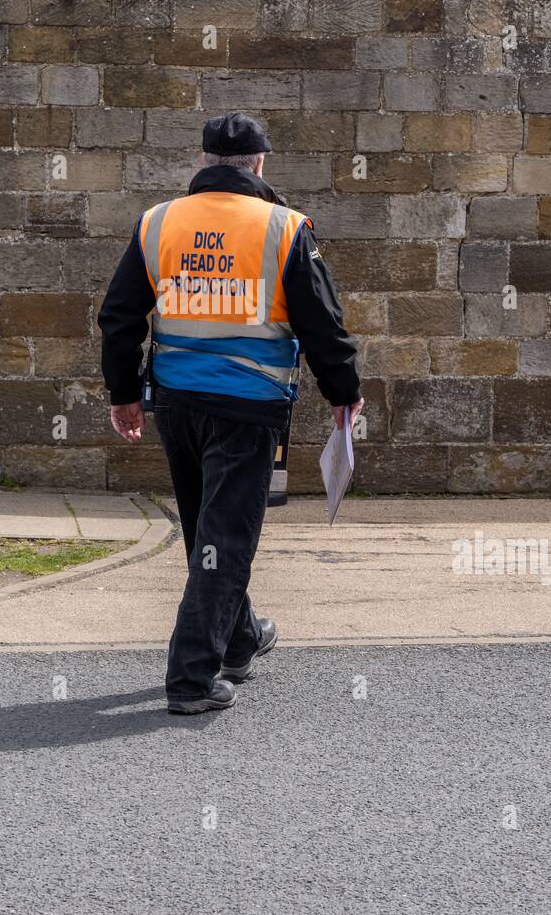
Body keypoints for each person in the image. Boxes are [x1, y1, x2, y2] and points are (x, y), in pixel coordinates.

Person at [97, 113, 365, 716]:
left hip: (176, 402)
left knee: (207, 530)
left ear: (206, 160)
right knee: (227, 536)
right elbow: (322, 323)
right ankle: (191, 678)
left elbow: (119, 317)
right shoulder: (285, 227)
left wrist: (124, 394)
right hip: (249, 406)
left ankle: (239, 641)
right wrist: (344, 390)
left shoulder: (157, 223)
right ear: (261, 164)